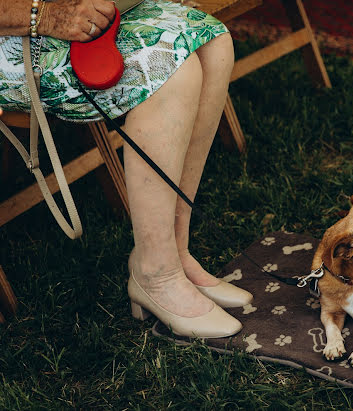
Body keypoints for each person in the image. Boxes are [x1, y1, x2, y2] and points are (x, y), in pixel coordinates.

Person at [0, 0, 252, 338]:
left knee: (212, 41)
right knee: (171, 70)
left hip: (68, 12)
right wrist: (44, 14)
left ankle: (174, 252)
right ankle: (156, 274)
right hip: (17, 30)